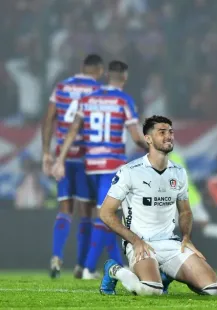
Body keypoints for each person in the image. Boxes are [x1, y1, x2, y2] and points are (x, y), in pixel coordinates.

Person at [98, 115, 217, 296]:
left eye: (171, 132)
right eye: (162, 132)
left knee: (214, 291)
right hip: (141, 243)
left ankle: (164, 273)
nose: (168, 136)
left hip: (169, 243)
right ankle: (114, 269)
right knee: (151, 291)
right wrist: (135, 241)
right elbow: (106, 213)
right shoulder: (129, 172)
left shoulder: (179, 172)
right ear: (148, 139)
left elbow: (186, 211)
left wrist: (187, 237)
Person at [52, 60, 147, 279]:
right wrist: (152, 145)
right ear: (124, 77)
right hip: (111, 165)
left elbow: (73, 131)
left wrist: (60, 160)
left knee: (103, 215)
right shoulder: (124, 100)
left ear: (107, 76)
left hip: (89, 165)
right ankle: (88, 267)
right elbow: (135, 136)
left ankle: (119, 265)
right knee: (107, 216)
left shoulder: (87, 100)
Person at [41, 54, 104, 279]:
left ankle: (56, 256)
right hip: (87, 157)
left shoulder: (61, 87)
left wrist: (46, 153)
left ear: (81, 67)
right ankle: (81, 266)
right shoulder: (98, 89)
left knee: (64, 208)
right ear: (99, 70)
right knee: (87, 211)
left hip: (63, 158)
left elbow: (48, 119)